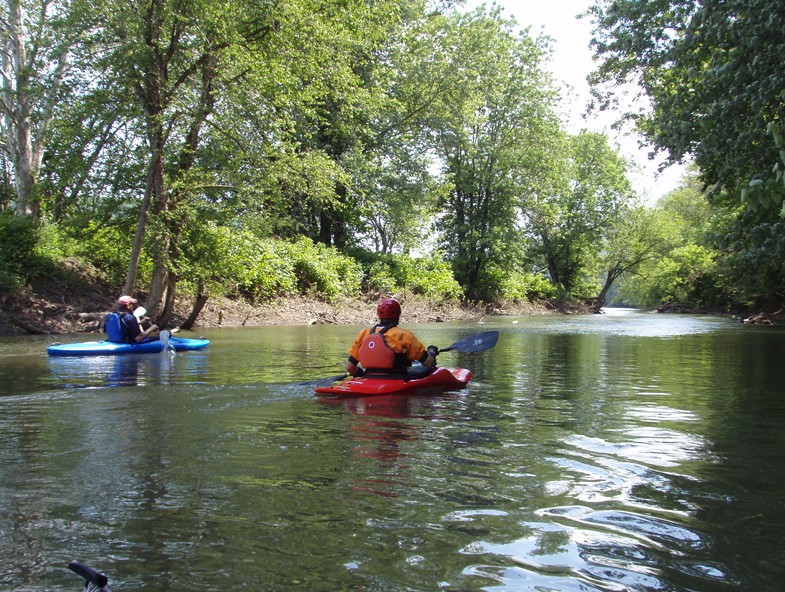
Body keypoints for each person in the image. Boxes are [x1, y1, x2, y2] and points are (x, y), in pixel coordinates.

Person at [345, 298, 438, 377]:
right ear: (398, 315)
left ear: (379, 314)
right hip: (396, 379)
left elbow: (350, 367)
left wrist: (362, 374)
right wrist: (432, 352)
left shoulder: (363, 334)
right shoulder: (404, 335)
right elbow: (428, 363)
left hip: (369, 378)